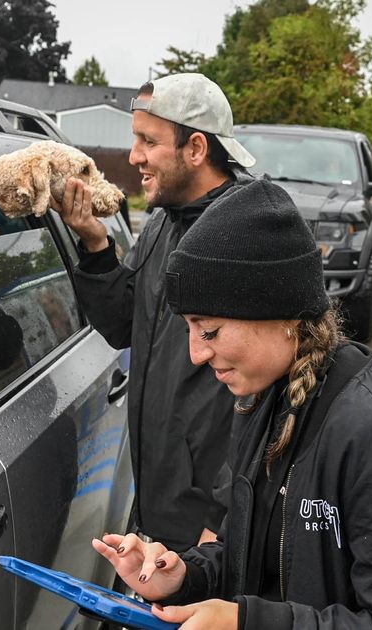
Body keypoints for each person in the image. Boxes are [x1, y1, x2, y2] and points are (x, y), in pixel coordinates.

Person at [91, 180, 372, 629]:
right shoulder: (265, 400)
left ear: (282, 315)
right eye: (188, 330)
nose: (196, 354)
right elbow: (245, 554)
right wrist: (186, 577)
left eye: (210, 330)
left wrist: (247, 624)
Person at [56, 73, 256, 551]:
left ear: (196, 148)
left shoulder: (244, 236)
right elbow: (131, 323)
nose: (133, 157)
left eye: (149, 141)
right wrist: (95, 243)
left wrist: (222, 520)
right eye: (135, 139)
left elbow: (271, 395)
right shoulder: (165, 220)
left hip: (210, 523)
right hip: (163, 503)